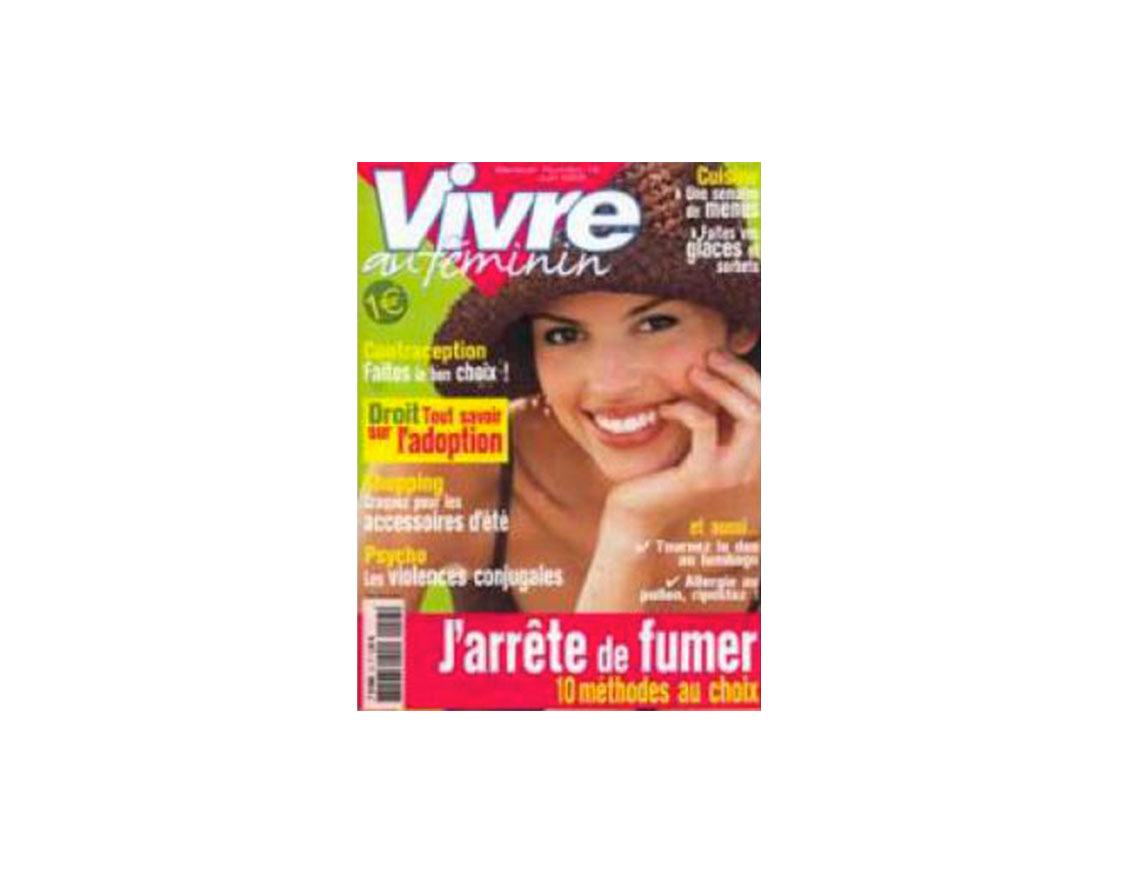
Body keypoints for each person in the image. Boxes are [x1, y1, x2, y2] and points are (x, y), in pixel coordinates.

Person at [359, 163, 760, 613]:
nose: (610, 384)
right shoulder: (437, 467)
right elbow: (361, 659)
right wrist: (630, 533)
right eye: (564, 335)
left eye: (656, 323)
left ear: (739, 326)